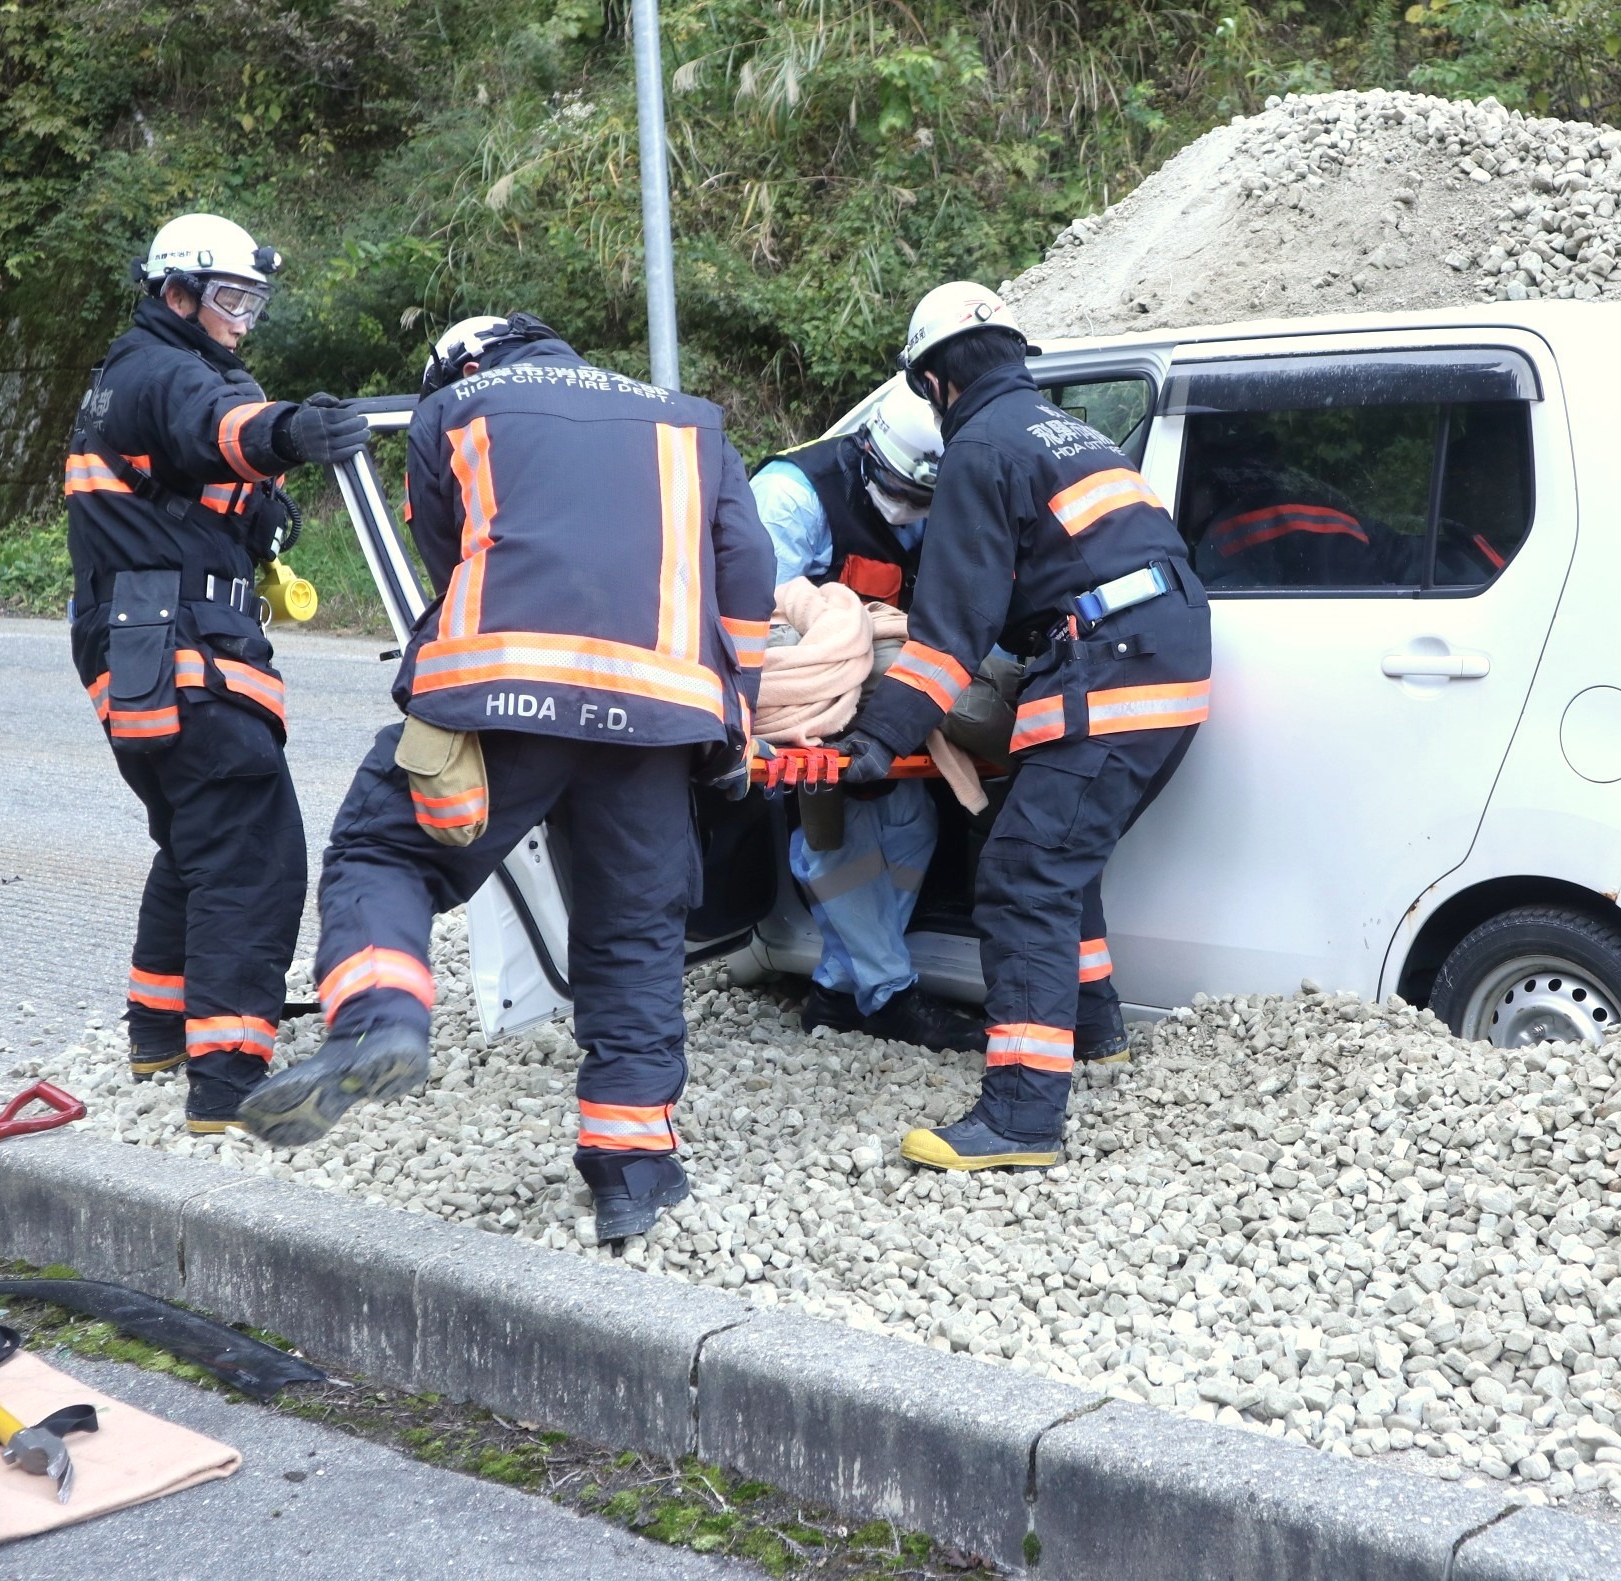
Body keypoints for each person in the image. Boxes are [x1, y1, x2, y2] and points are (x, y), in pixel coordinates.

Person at [235, 314, 775, 1244]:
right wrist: (741, 711)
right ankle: (632, 1168)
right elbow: (748, 569)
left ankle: (377, 1020)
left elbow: (451, 555)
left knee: (384, 850)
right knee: (634, 926)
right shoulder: (694, 419)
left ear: (461, 362)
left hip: (498, 700)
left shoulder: (455, 406)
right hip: (656, 715)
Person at [826, 282, 1212, 1171]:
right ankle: (1095, 1028)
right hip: (1166, 656)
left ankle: (1019, 1116)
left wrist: (878, 737)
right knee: (1048, 843)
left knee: (1021, 872)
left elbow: (949, 630)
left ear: (934, 383)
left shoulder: (983, 446)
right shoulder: (1069, 435)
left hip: (1113, 670)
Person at [65, 212, 369, 1133]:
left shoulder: (131, 373)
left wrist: (259, 516)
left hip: (139, 647)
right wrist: (293, 433)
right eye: (230, 299)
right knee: (252, 853)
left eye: (253, 303)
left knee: (197, 841)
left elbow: (195, 474)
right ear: (178, 292)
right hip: (179, 648)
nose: (242, 319)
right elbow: (223, 428)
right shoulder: (165, 371)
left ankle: (159, 1030)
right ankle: (230, 1082)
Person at [751, 384, 985, 1052]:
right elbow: (759, 617)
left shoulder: (935, 494)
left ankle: (835, 987)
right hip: (808, 688)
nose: (909, 513)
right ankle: (890, 993)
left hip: (885, 689)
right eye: (903, 494)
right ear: (868, 453)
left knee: (914, 822)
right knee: (836, 833)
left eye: (923, 501)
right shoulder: (794, 496)